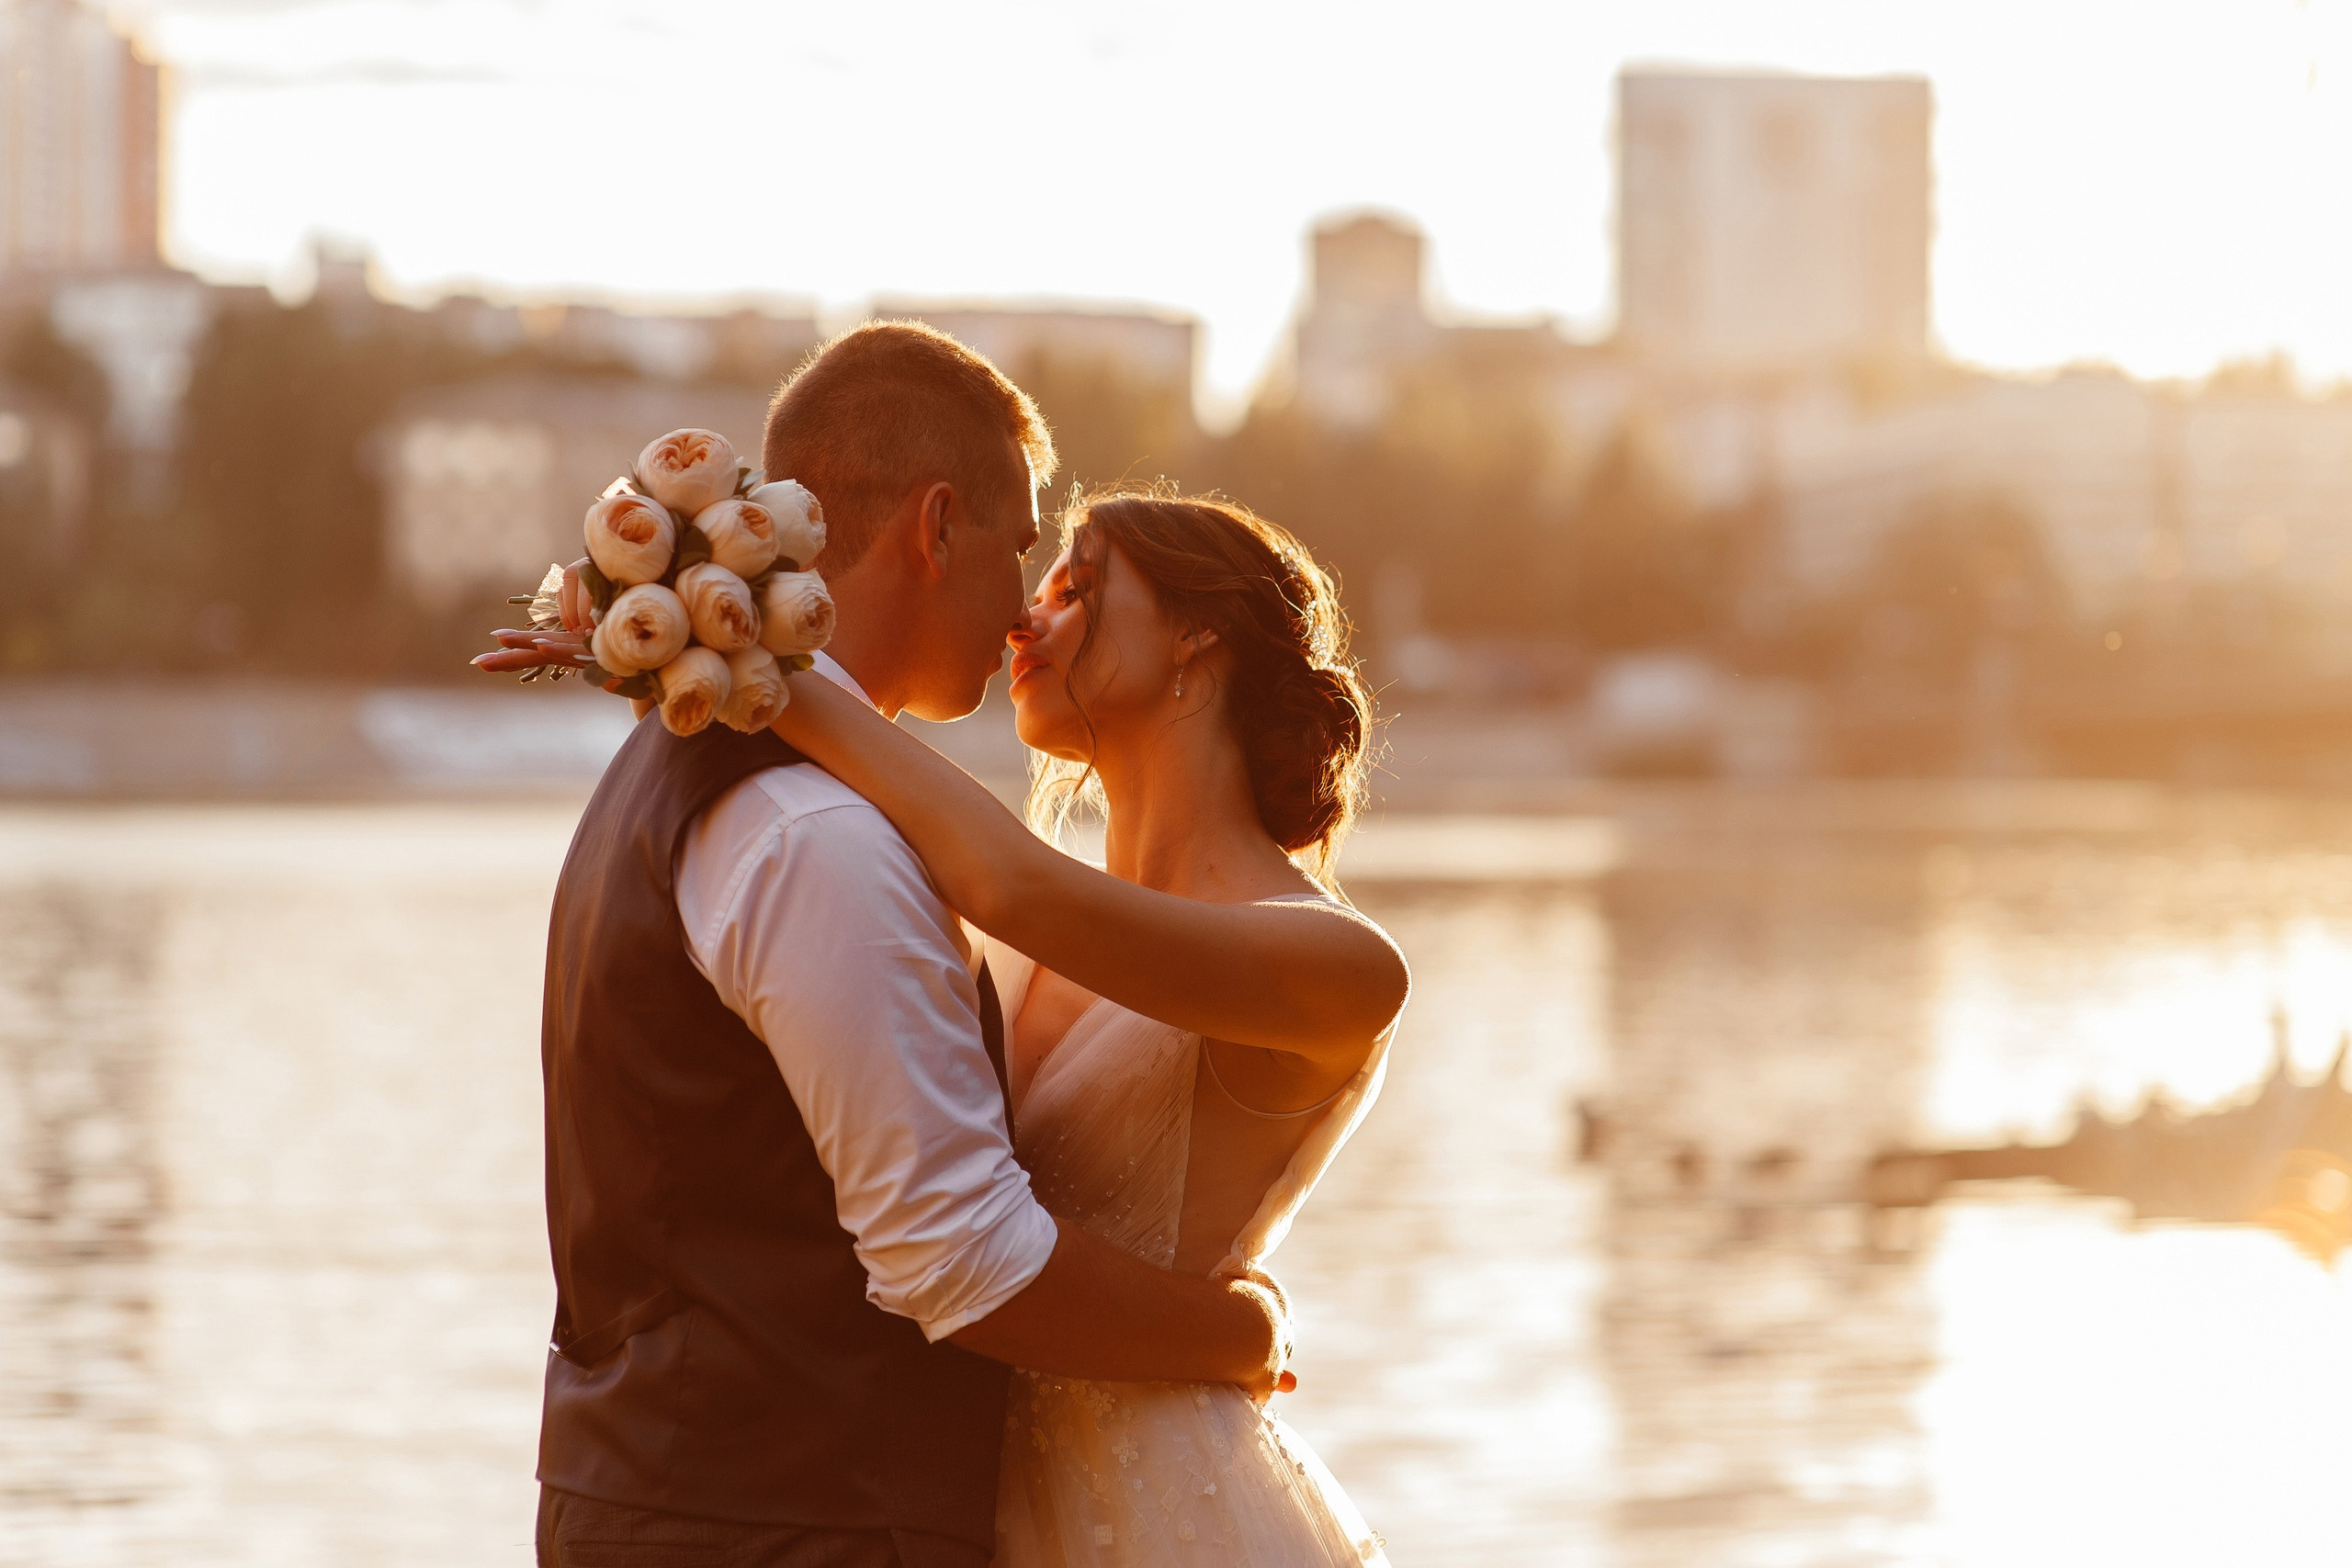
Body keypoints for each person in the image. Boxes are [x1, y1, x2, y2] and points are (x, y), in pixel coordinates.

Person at [481, 322, 1299, 1568]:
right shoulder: (819, 835)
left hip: (669, 1503)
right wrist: (1236, 1334)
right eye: (1022, 545)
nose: (1028, 601)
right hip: (793, 1528)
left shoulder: (688, 768)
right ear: (935, 525)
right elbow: (960, 1257)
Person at [761, 488, 1410, 1564]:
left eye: (1077, 587)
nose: (1025, 618)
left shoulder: (1338, 965)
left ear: (1197, 633)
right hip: (954, 1507)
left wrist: (759, 665)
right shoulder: (1004, 942)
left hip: (1180, 1519)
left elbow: (1011, 882)